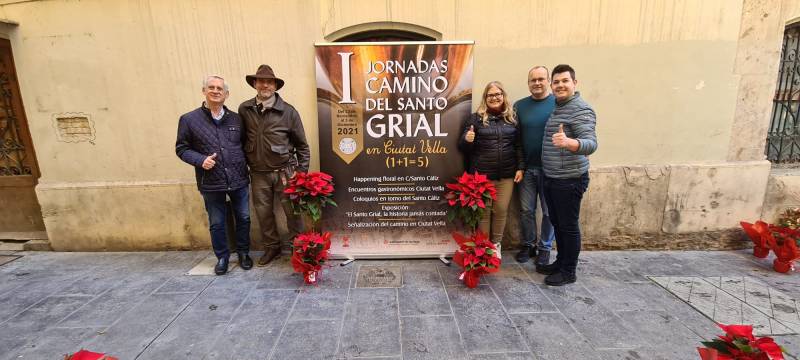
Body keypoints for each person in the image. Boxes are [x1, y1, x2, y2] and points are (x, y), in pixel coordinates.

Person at [176, 75, 252, 275]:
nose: (216, 91)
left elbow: (245, 145)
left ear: (226, 94)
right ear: (204, 91)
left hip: (239, 178)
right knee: (217, 222)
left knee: (243, 217)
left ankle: (244, 253)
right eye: (211, 87)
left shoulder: (236, 119)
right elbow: (182, 149)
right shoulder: (189, 120)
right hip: (211, 181)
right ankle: (222, 257)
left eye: (220, 88)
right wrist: (200, 160)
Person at [239, 65, 310, 266]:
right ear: (255, 84)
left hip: (286, 173)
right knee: (263, 214)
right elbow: (241, 140)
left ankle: (299, 248)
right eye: (261, 81)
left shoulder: (289, 111)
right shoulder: (244, 109)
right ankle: (272, 248)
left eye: (269, 82)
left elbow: (303, 147)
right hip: (258, 173)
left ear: (275, 86)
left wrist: (300, 174)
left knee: (293, 213)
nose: (265, 85)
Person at [537, 64, 598, 286]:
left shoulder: (581, 109)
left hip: (569, 180)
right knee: (558, 222)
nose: (560, 85)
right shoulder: (559, 106)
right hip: (552, 176)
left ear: (575, 83)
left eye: (565, 81)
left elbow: (591, 144)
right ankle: (561, 262)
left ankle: (568, 271)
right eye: (557, 82)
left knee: (568, 226)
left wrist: (570, 143)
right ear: (551, 85)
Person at [458, 81, 524, 256]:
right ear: (485, 98)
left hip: (506, 175)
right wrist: (467, 139)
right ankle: (483, 246)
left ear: (503, 96)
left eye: (498, 94)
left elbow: (518, 145)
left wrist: (520, 167)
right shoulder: (475, 118)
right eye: (490, 95)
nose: (494, 98)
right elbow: (463, 147)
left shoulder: (512, 118)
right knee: (484, 212)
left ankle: (496, 245)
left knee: (501, 210)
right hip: (482, 176)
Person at [514, 66, 556, 265]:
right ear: (528, 83)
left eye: (541, 79)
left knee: (549, 212)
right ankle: (528, 244)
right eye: (533, 80)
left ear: (548, 80)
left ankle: (545, 248)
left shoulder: (558, 103)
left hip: (551, 169)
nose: (537, 83)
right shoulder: (519, 106)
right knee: (526, 210)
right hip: (528, 169)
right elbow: (517, 140)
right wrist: (520, 166)